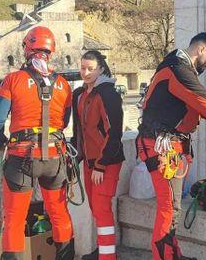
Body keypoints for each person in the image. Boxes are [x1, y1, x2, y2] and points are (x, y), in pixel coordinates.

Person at [136, 32, 206, 260]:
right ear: (201, 50)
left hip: (166, 147)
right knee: (168, 208)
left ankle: (172, 253)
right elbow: (201, 100)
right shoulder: (177, 68)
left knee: (173, 207)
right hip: (160, 147)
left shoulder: (179, 67)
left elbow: (199, 101)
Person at [0, 26, 75, 260]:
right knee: (59, 213)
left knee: (15, 219)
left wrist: (0, 140)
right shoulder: (63, 85)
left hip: (21, 158)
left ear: (27, 48)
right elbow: (64, 122)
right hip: (55, 157)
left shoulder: (13, 80)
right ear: (51, 50)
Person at [72, 50, 124, 260]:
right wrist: (76, 155)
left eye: (91, 69)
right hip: (89, 162)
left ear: (101, 69)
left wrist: (101, 164)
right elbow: (78, 130)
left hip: (107, 161)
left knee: (102, 211)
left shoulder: (108, 94)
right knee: (95, 208)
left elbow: (115, 132)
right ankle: (105, 253)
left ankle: (107, 257)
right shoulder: (80, 94)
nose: (86, 73)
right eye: (83, 68)